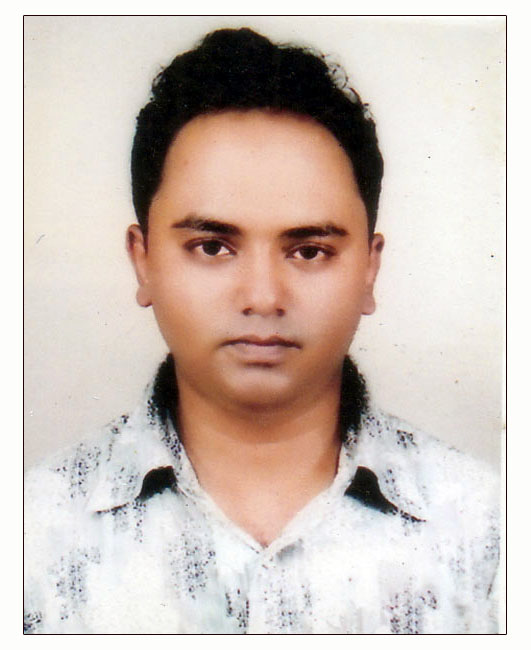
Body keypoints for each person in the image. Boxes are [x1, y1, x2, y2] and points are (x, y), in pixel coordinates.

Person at [24, 27, 500, 634]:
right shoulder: (32, 532)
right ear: (143, 261)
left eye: (309, 251)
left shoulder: (489, 531)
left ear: (369, 269)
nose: (263, 297)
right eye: (213, 247)